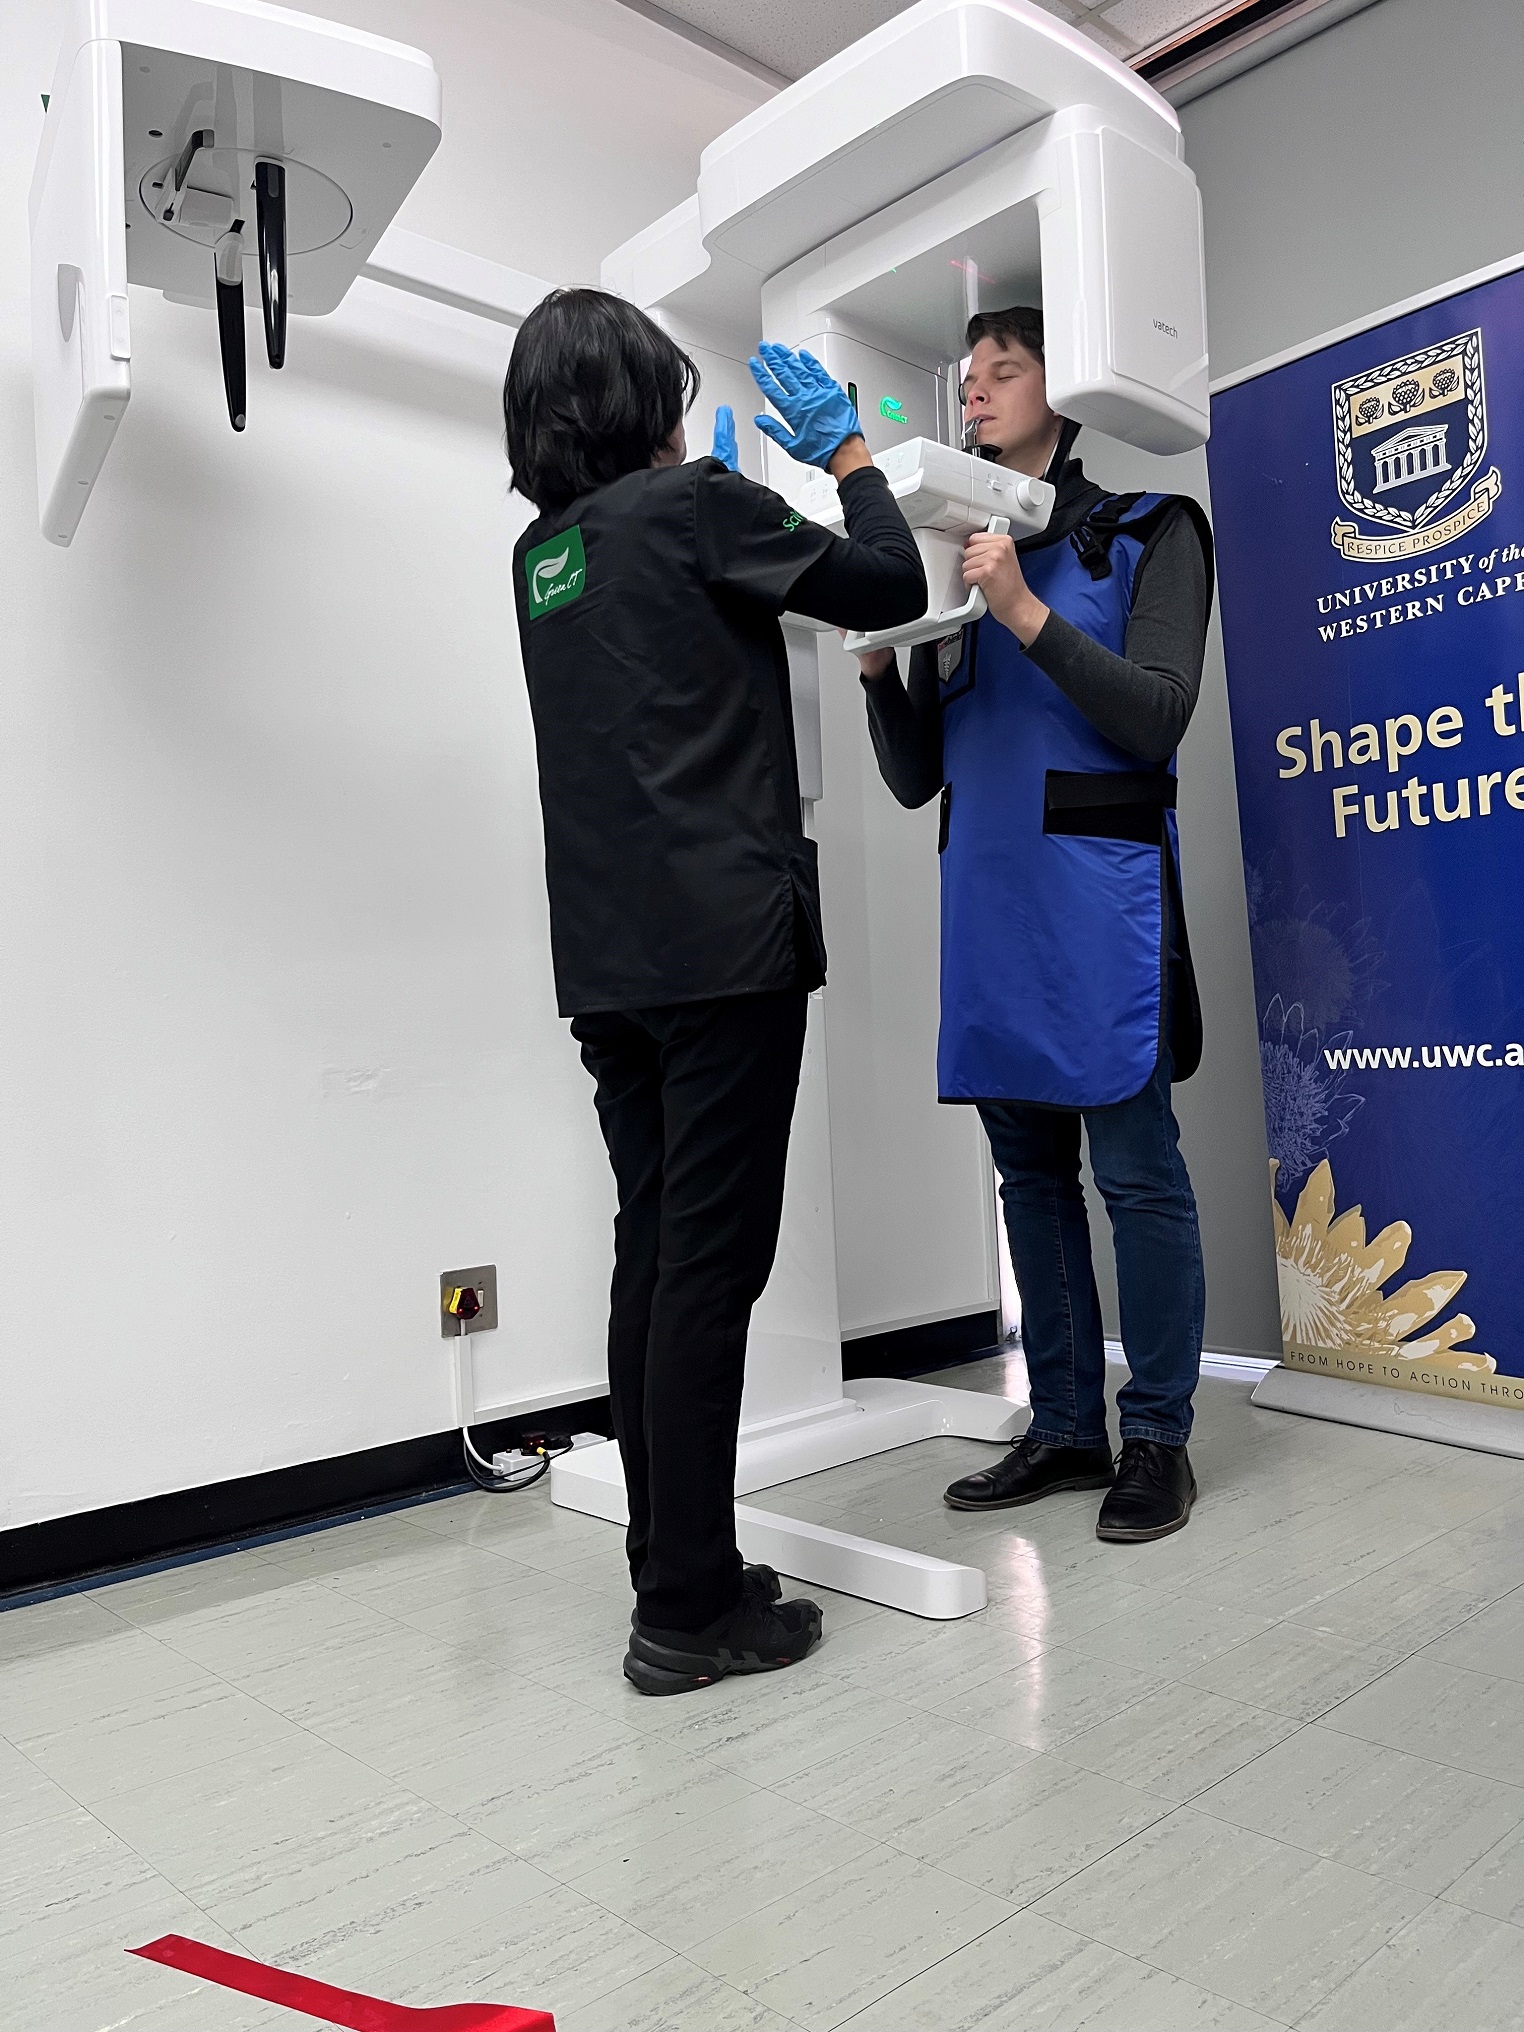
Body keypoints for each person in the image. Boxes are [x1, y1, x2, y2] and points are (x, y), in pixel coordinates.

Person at [505, 291, 926, 1691]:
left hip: (613, 966)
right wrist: (851, 460)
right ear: (645, 403)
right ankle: (688, 1615)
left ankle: (672, 1563)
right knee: (712, 1274)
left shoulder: (539, 558)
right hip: (725, 950)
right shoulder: (692, 506)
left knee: (653, 1256)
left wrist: (731, 510)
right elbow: (889, 589)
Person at [855, 304, 1213, 1543]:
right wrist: (879, 664)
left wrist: (1022, 610)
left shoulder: (1147, 533)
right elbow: (915, 777)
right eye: (968, 380)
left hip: (1098, 906)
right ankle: (1065, 1422)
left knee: (1137, 1174)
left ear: (1070, 389)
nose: (977, 393)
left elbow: (1158, 715)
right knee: (1030, 1180)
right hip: (992, 906)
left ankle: (1158, 1434)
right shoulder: (949, 562)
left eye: (1006, 370)